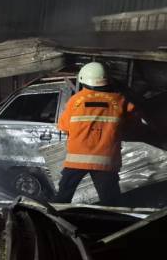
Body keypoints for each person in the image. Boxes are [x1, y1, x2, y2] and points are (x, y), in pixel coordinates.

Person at [52, 62, 136, 205]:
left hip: (76, 160)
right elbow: (131, 127)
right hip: (106, 161)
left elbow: (64, 127)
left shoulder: (75, 100)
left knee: (62, 199)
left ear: (83, 79)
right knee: (111, 203)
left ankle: (54, 219)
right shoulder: (121, 101)